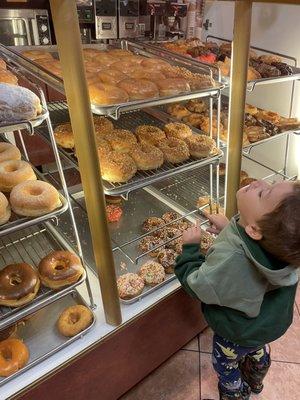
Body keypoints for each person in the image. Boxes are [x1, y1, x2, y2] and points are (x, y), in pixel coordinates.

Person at [175, 179, 300, 400]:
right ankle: (256, 372)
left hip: (237, 330)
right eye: (270, 183)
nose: (258, 183)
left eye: (264, 193)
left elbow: (198, 285)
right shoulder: (288, 248)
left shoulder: (233, 258)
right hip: (267, 324)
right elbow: (255, 244)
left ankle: (234, 393)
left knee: (225, 364)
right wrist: (228, 228)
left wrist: (190, 250)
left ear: (254, 229)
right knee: (254, 346)